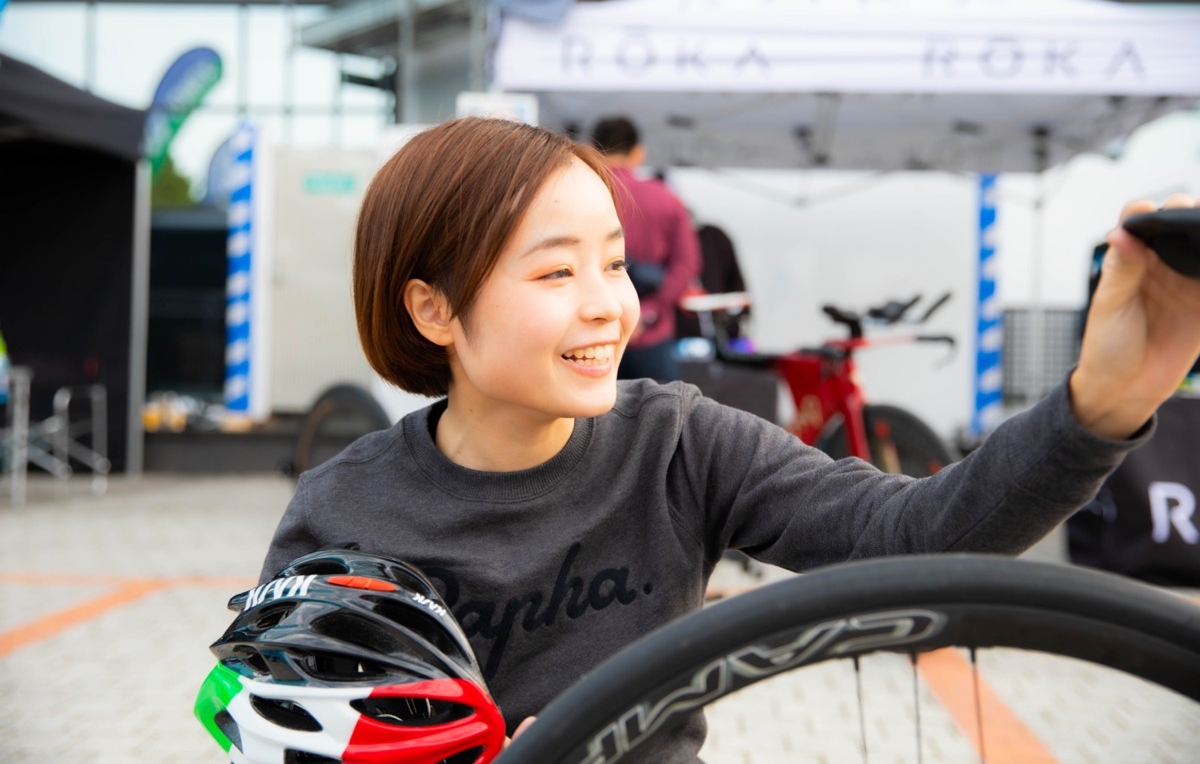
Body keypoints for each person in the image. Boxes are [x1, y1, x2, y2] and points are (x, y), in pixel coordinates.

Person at [258, 116, 1200, 762]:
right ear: (432, 309)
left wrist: (1102, 401)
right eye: (555, 273)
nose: (608, 305)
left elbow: (913, 542)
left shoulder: (677, 442)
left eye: (616, 263)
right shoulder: (344, 516)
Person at [590, 115, 700, 382]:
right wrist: (650, 311)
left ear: (592, 151)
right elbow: (687, 263)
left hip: (592, 336)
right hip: (651, 334)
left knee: (586, 421)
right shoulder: (666, 198)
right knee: (663, 417)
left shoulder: (581, 194)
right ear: (638, 153)